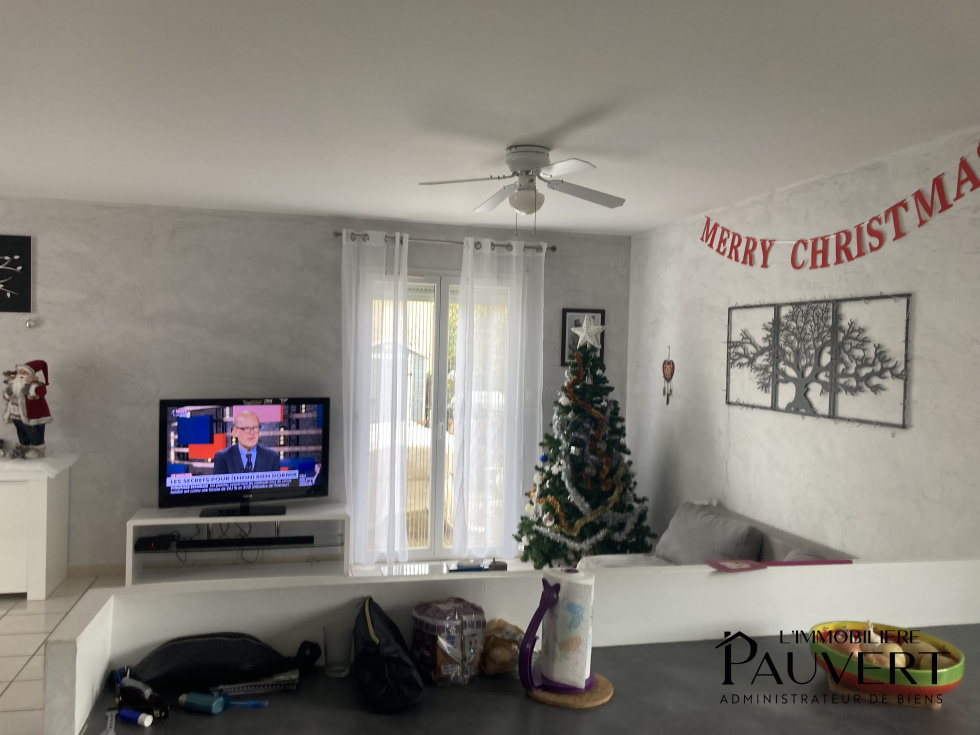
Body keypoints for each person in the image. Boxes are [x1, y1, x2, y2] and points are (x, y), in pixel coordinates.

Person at [2, 359, 53, 459]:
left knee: (34, 433)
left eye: (25, 372)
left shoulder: (35, 385)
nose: (21, 374)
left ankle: (37, 451)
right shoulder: (13, 385)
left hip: (32, 417)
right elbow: (6, 397)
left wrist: (31, 389)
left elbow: (41, 391)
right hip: (16, 416)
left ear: (31, 375)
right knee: (21, 432)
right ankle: (24, 447)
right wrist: (8, 392)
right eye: (20, 372)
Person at [212, 410, 280, 474]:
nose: (252, 432)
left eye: (255, 427)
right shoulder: (223, 458)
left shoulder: (272, 457)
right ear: (235, 432)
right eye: (246, 428)